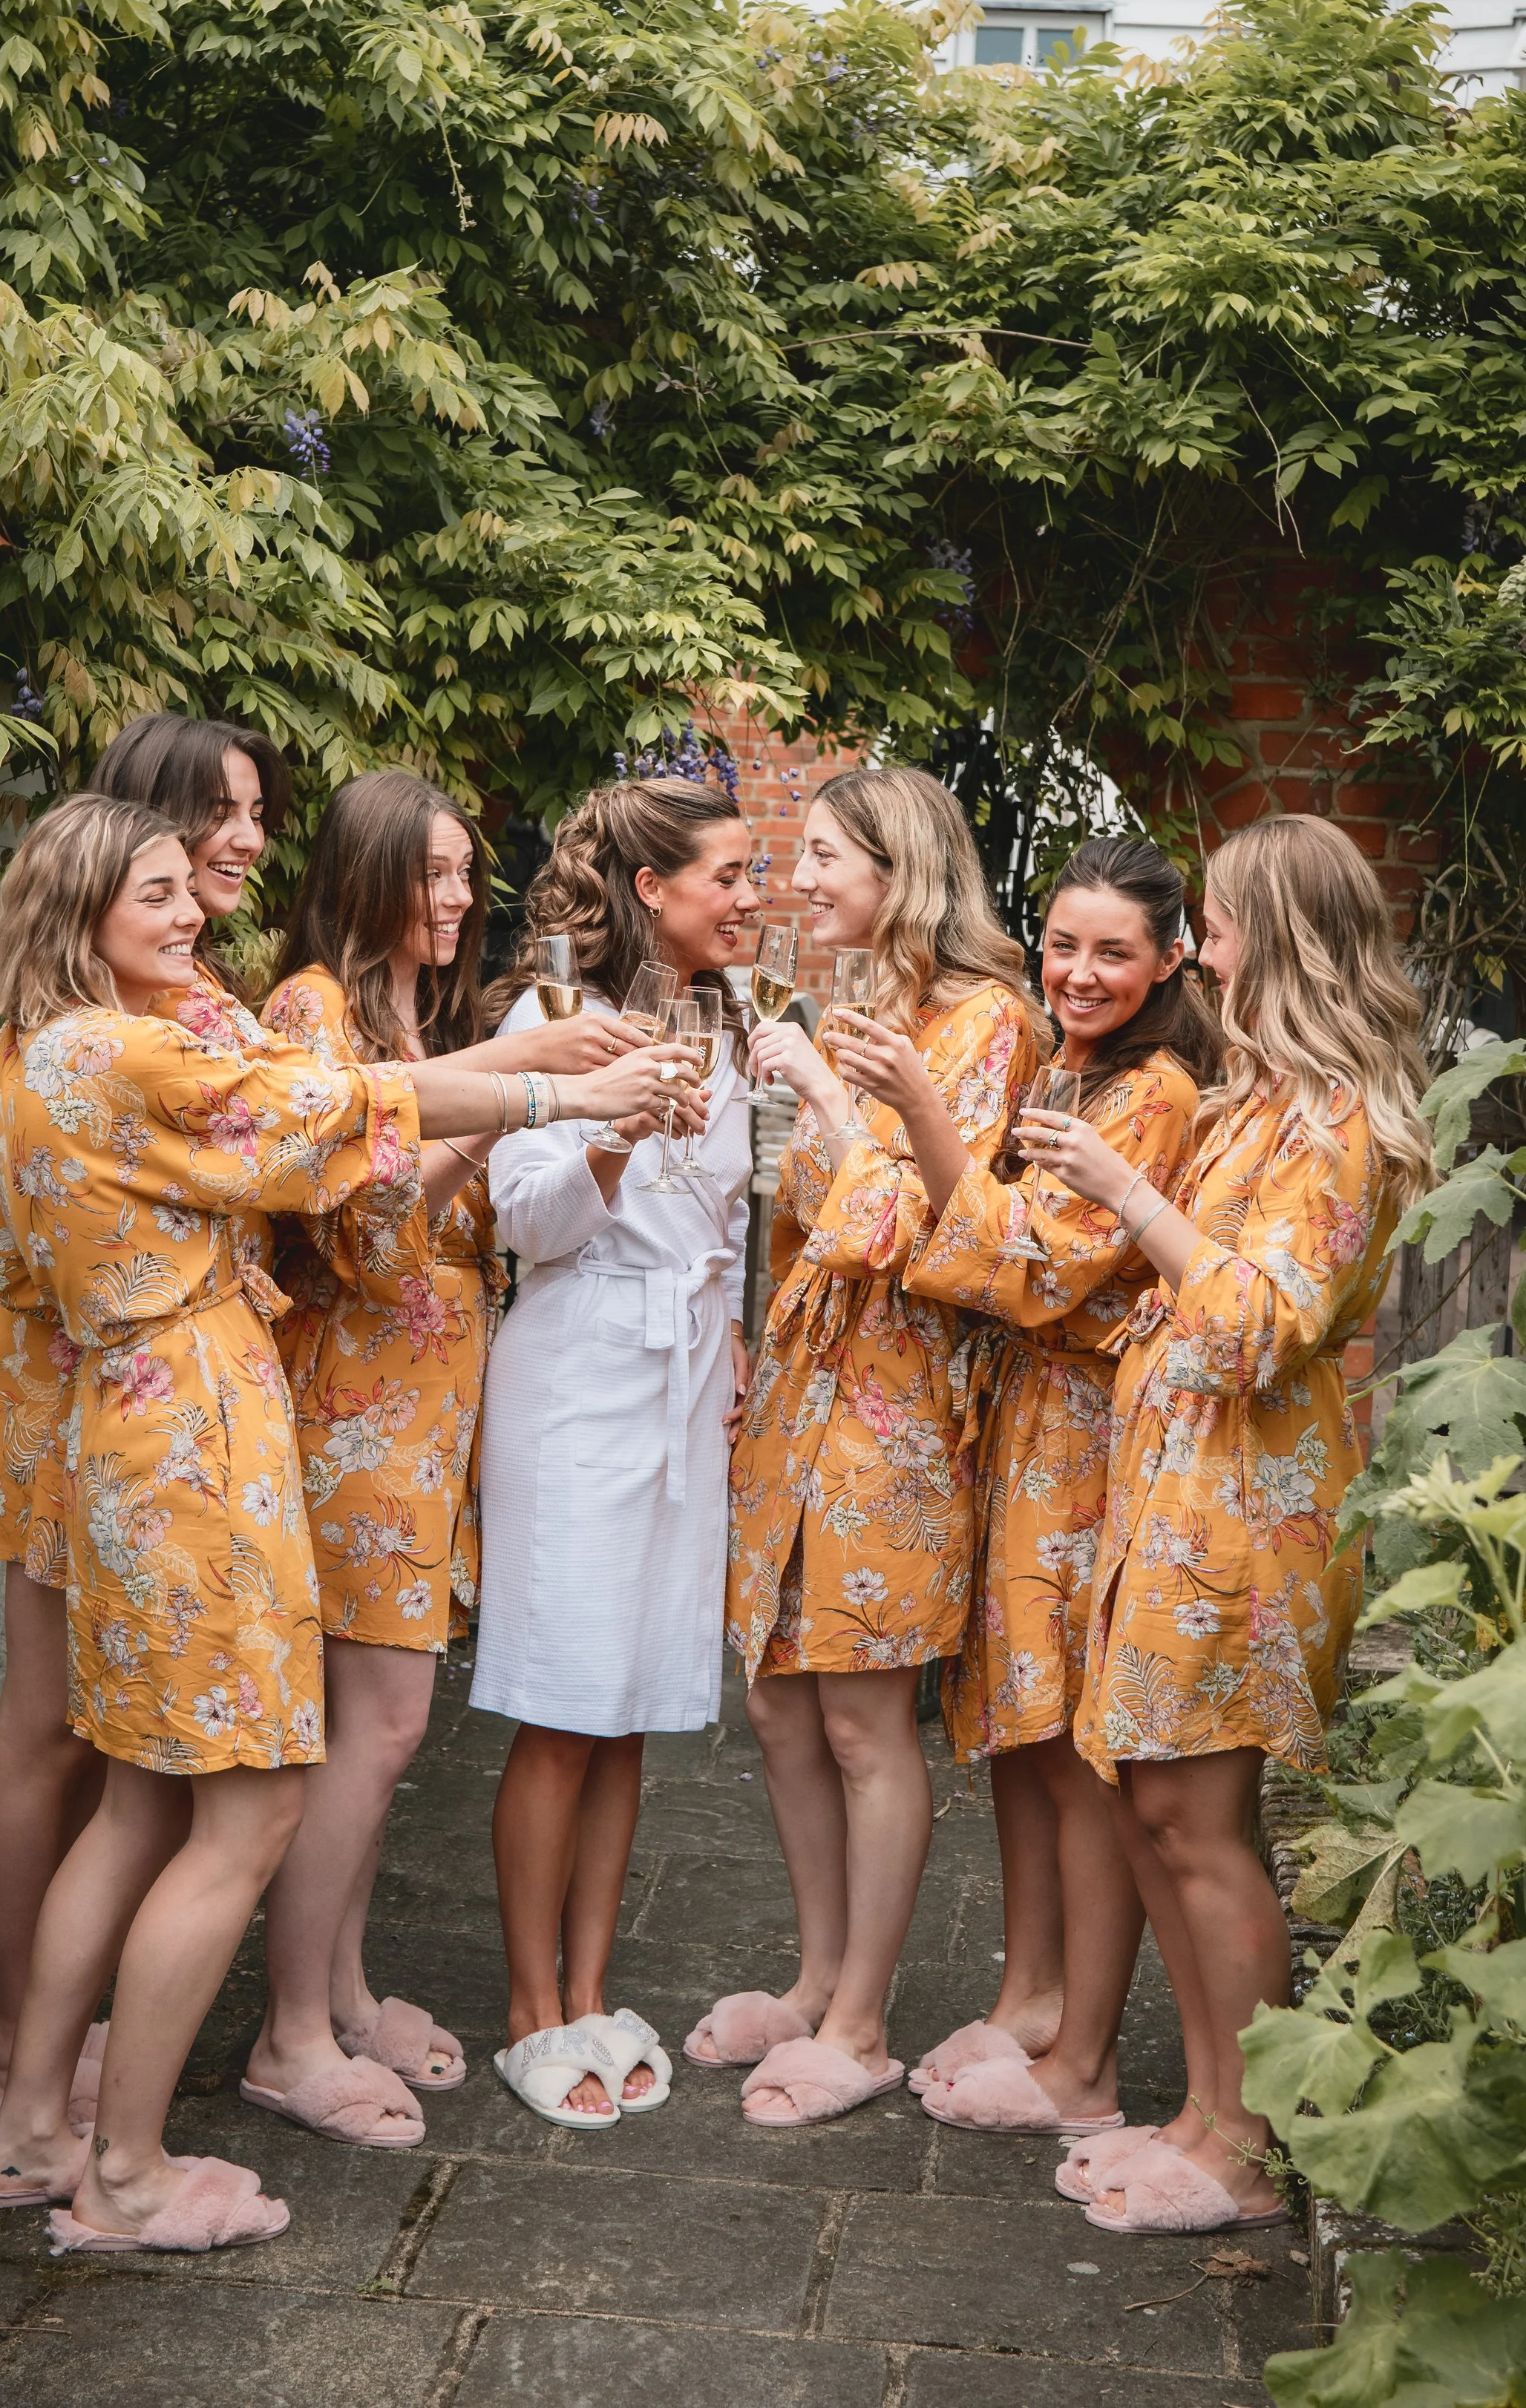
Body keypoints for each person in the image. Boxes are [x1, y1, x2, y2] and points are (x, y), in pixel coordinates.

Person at [0, 795, 676, 2243]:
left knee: (145, 1792)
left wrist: (520, 1060)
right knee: (252, 1804)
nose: (195, 914)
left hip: (123, 1419)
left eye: (188, 891)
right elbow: (330, 1109)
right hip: (197, 1436)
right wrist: (554, 1088)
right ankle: (127, 2179)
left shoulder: (44, 1054)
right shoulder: (130, 1053)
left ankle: (33, 2131)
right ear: (78, 908)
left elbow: (318, 1093)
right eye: (158, 894)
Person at [1026, 813, 1431, 2236]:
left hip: (1249, 1517)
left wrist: (1126, 1192)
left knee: (1204, 1826)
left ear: (1289, 934)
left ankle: (1251, 2151)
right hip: (1173, 1489)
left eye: (1222, 920)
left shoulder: (1342, 1124)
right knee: (1151, 1805)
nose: (1201, 944)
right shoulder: (1258, 1093)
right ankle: (1203, 2108)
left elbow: (1262, 1319)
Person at [243, 770, 659, 2134]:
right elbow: (356, 1234)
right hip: (354, 1411)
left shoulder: (407, 1016)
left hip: (422, 1416)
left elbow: (449, 1212)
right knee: (377, 1727)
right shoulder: (309, 1007)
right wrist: (508, 1109)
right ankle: (291, 2032)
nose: (459, 895)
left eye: (467, 870)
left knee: (378, 1732)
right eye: (430, 872)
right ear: (366, 875)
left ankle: (349, 1994)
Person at [837, 839, 1217, 2141]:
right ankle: (1029, 1991)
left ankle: (1086, 2056)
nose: (1079, 970)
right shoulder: (1072, 1064)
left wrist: (922, 1114)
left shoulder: (1152, 1092)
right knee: (1015, 1727)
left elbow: (1033, 1272)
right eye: (1062, 942)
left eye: (1114, 950)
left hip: (1086, 1435)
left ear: (1172, 958)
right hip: (1022, 1426)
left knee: (1070, 1752)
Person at [0, 714, 286, 2127]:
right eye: (217, 813)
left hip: (123, 1361)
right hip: (82, 1378)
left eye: (256, 811)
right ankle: (9, 2047)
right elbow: (306, 1126)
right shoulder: (97, 1028)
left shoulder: (186, 995)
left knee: (129, 1743)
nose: (244, 838)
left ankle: (47, 2057)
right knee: (54, 1732)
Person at [703, 768, 1037, 2126]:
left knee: (861, 1712)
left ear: (901, 868)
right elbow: (810, 1220)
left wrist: (836, 1111)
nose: (801, 881)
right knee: (782, 1697)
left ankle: (864, 2018)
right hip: (804, 1391)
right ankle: (814, 1972)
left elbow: (917, 1228)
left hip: (900, 1410)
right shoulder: (862, 1010)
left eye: (827, 856)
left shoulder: (990, 1024)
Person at [475, 778, 750, 2127]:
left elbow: (734, 1214)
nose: (752, 900)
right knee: (562, 1698)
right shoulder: (558, 1019)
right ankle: (531, 2008)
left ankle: (593, 1982)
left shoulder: (726, 1019)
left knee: (632, 1697)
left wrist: (737, 1333)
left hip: (684, 1380)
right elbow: (521, 1221)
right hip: (582, 1368)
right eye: (732, 877)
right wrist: (611, 1138)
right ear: (654, 889)